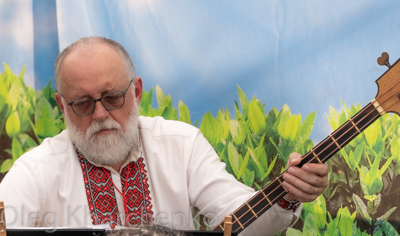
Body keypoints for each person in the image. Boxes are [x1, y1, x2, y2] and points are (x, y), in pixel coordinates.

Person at [0, 36, 328, 235]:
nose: (100, 114)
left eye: (113, 97)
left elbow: (240, 220)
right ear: (62, 105)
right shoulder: (37, 170)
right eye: (83, 103)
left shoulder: (181, 144)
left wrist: (288, 194)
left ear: (137, 91)